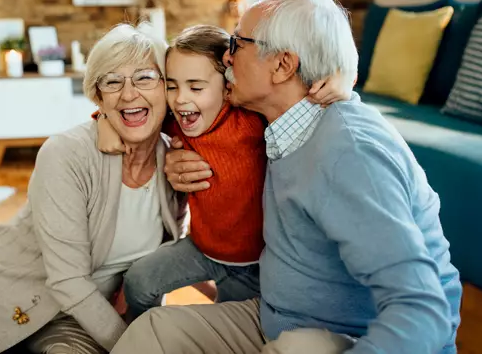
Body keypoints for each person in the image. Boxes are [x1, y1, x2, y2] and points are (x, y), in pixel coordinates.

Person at [110, 0, 463, 354]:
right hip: (275, 317)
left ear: (282, 65)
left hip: (338, 336)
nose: (226, 59)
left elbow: (423, 310)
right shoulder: (275, 122)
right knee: (154, 332)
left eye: (237, 43)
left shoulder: (350, 155)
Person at [0, 23, 187, 354]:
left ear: (167, 87)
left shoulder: (176, 160)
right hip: (3, 297)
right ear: (98, 96)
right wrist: (133, 348)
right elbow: (68, 281)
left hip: (83, 320)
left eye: (144, 77)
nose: (129, 94)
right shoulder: (67, 153)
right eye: (112, 81)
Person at [95, 24, 349, 321]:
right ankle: (138, 331)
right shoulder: (176, 119)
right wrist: (103, 119)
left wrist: (341, 78)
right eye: (172, 86)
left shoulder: (252, 120)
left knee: (229, 323)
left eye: (196, 86)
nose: (179, 99)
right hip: (201, 247)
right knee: (139, 281)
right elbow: (134, 112)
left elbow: (305, 96)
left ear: (228, 88)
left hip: (254, 262)